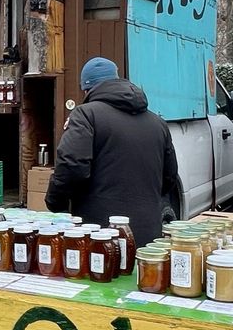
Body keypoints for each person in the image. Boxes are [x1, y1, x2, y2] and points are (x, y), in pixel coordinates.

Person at [45, 57, 177, 245]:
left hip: (101, 236)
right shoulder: (158, 123)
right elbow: (170, 177)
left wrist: (55, 201)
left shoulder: (85, 114)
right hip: (148, 236)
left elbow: (72, 166)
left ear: (86, 89)